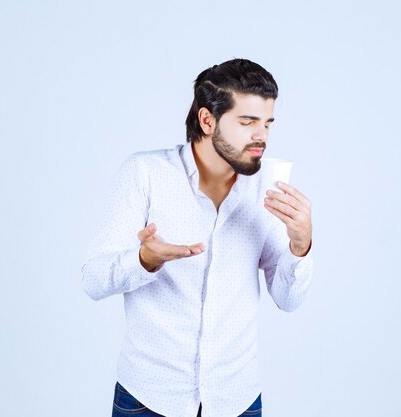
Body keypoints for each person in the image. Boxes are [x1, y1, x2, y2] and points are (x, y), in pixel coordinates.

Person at [81, 58, 314, 417]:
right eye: (248, 122)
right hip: (149, 397)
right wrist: (145, 260)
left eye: (267, 122)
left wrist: (300, 246)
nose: (262, 136)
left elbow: (288, 299)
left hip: (237, 399)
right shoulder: (144, 173)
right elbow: (93, 280)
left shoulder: (265, 189)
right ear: (208, 120)